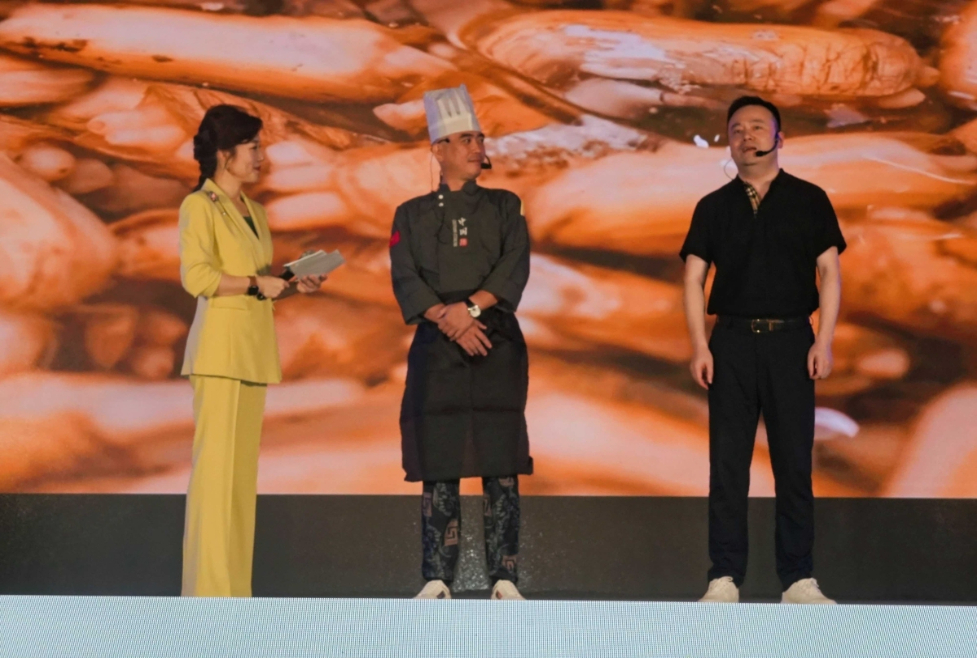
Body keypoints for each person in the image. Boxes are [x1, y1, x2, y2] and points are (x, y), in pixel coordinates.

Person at [680, 96, 846, 605]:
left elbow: (830, 272)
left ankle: (797, 578)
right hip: (730, 342)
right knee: (728, 465)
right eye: (736, 129)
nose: (745, 136)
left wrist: (824, 340)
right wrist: (699, 345)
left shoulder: (809, 198)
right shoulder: (713, 206)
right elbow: (693, 278)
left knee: (793, 464)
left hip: (791, 340)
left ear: (779, 138)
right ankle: (724, 576)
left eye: (757, 127)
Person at [389, 85, 532, 600]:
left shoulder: (505, 205)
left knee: (501, 459)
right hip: (437, 345)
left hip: (495, 340)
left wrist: (469, 311)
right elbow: (405, 276)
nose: (477, 146)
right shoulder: (410, 214)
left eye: (479, 138)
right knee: (440, 458)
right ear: (438, 149)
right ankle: (436, 577)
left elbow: (514, 264)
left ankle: (505, 576)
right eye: (465, 138)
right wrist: (447, 319)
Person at [178, 104, 324, 597]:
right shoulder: (199, 205)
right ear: (225, 154)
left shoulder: (256, 212)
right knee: (215, 479)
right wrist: (257, 282)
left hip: (254, 351)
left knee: (240, 483)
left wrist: (292, 282)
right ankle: (207, 596)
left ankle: (235, 594)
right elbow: (198, 276)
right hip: (219, 354)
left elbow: (259, 286)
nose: (262, 156)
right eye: (253, 147)